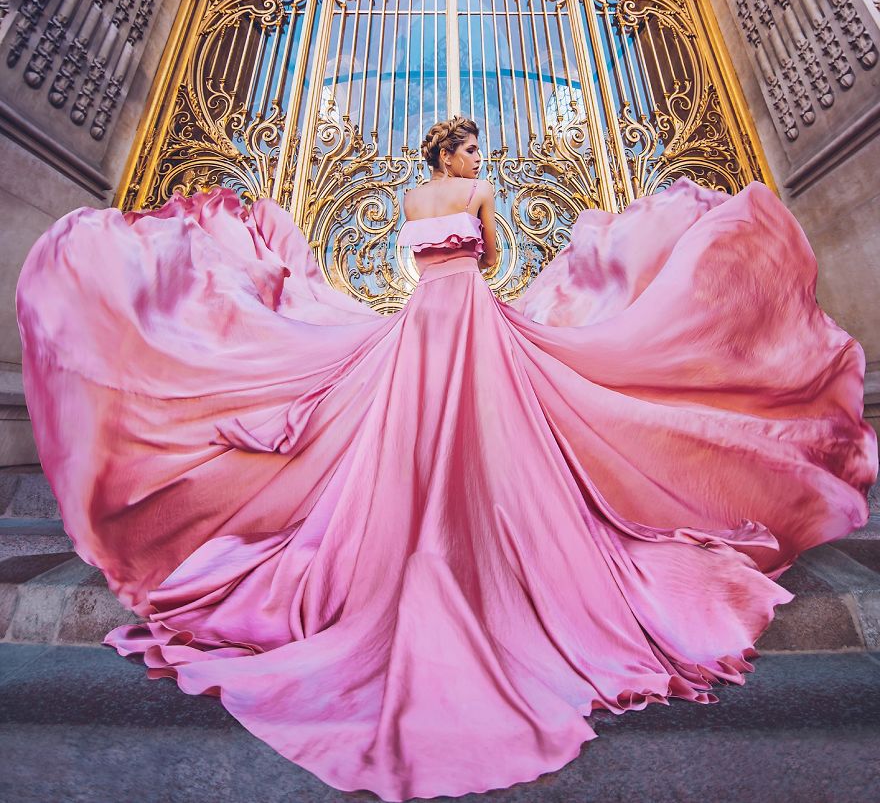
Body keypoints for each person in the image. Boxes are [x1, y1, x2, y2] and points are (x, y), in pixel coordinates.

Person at [15, 115, 878, 801]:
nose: (478, 153)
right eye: (472, 143)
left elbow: (419, 257)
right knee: (497, 423)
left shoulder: (411, 199)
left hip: (425, 317)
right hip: (469, 312)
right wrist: (475, 240)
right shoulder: (476, 190)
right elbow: (493, 259)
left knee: (421, 425)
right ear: (457, 150)